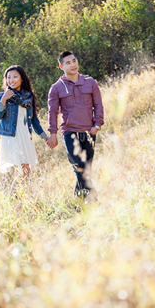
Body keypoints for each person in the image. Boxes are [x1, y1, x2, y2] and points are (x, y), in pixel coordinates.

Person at [46, 51, 104, 200]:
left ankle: (78, 197)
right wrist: (53, 133)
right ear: (61, 66)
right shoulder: (56, 88)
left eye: (74, 61)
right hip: (70, 132)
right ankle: (92, 199)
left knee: (86, 169)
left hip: (89, 131)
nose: (73, 64)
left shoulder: (90, 81)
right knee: (79, 166)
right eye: (68, 63)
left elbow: (98, 105)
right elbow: (52, 112)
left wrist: (97, 125)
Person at [0, 65, 48, 193]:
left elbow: (34, 120)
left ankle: (20, 200)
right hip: (11, 136)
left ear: (22, 79)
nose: (11, 80)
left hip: (25, 136)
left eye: (15, 77)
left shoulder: (28, 97)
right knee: (24, 171)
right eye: (8, 77)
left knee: (24, 172)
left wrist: (45, 137)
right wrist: (4, 99)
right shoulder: (2, 96)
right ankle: (14, 199)